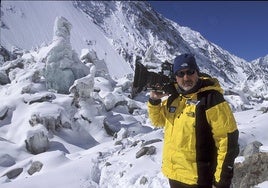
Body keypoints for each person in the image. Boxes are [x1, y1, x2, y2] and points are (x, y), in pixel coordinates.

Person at [147, 53, 239, 188]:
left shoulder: (211, 99)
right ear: (175, 77)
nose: (186, 77)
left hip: (199, 180)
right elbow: (158, 121)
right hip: (174, 175)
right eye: (180, 73)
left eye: (190, 72)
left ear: (197, 72)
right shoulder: (174, 99)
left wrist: (221, 181)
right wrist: (154, 101)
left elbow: (227, 141)